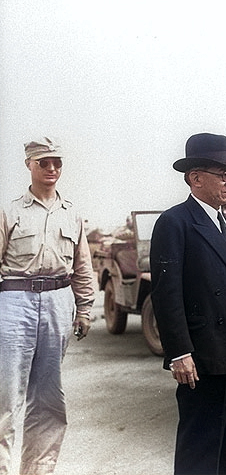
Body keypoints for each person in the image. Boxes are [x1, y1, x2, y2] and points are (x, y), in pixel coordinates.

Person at [149, 133, 226, 475]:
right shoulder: (175, 222)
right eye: (222, 174)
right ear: (194, 177)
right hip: (201, 356)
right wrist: (179, 352)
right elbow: (166, 295)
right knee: (200, 448)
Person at [0, 137, 95, 475]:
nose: (52, 169)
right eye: (44, 162)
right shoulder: (9, 211)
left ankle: (37, 471)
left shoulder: (72, 213)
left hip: (58, 300)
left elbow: (82, 265)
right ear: (29, 164)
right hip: (14, 301)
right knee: (6, 397)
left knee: (49, 399)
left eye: (57, 162)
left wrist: (85, 308)